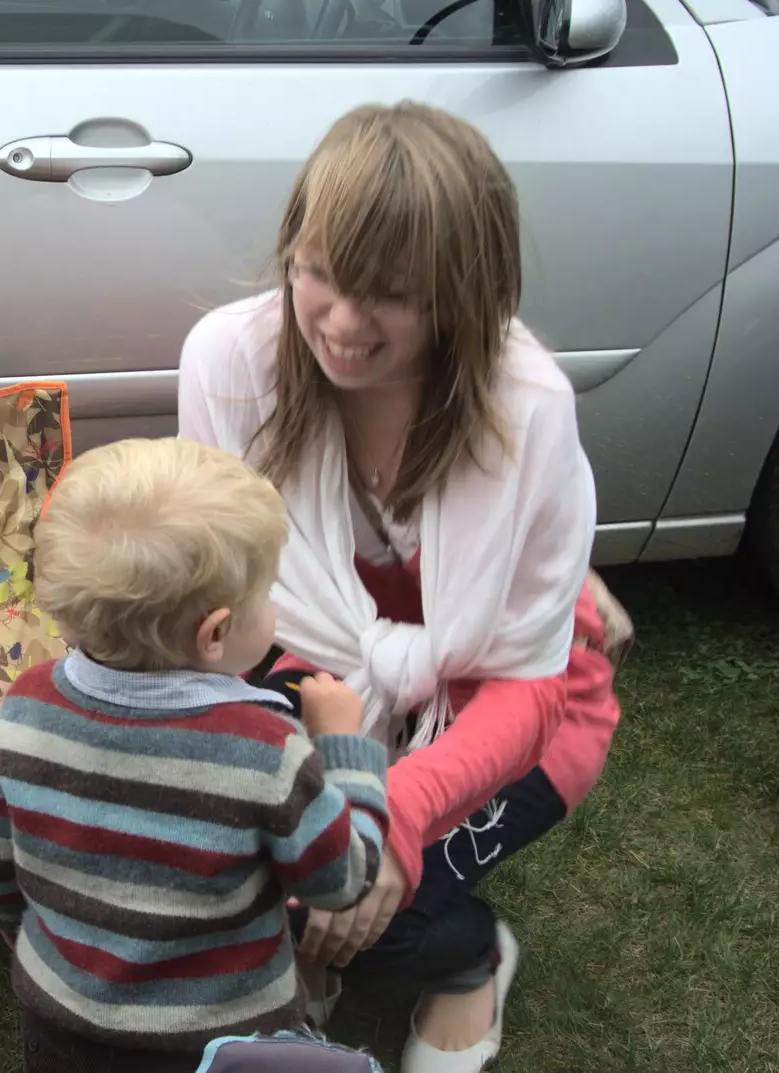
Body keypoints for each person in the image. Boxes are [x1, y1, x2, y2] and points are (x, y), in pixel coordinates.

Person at [179, 102, 623, 1073]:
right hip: (303, 680)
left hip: (507, 716)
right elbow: (227, 598)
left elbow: (531, 684)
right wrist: (327, 775)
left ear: (464, 294)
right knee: (263, 881)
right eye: (317, 272)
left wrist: (393, 814)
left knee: (360, 903)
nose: (339, 323)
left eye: (388, 295)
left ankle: (470, 955)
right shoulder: (229, 361)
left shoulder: (528, 409)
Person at [0, 437, 392, 1073]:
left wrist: (28, 941)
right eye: (267, 594)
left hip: (61, 1025)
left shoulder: (23, 710)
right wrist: (346, 749)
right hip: (222, 1042)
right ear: (216, 632)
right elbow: (340, 882)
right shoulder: (263, 749)